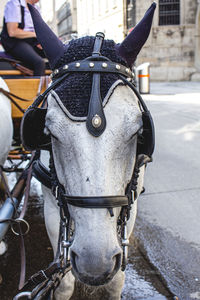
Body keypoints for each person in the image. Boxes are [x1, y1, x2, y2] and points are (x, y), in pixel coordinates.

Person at [0, 0, 45, 75]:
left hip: (30, 41)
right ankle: (38, 86)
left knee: (56, 55)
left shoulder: (36, 8)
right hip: (13, 42)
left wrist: (41, 41)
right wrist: (36, 35)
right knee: (39, 62)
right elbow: (13, 32)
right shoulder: (14, 4)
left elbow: (37, 29)